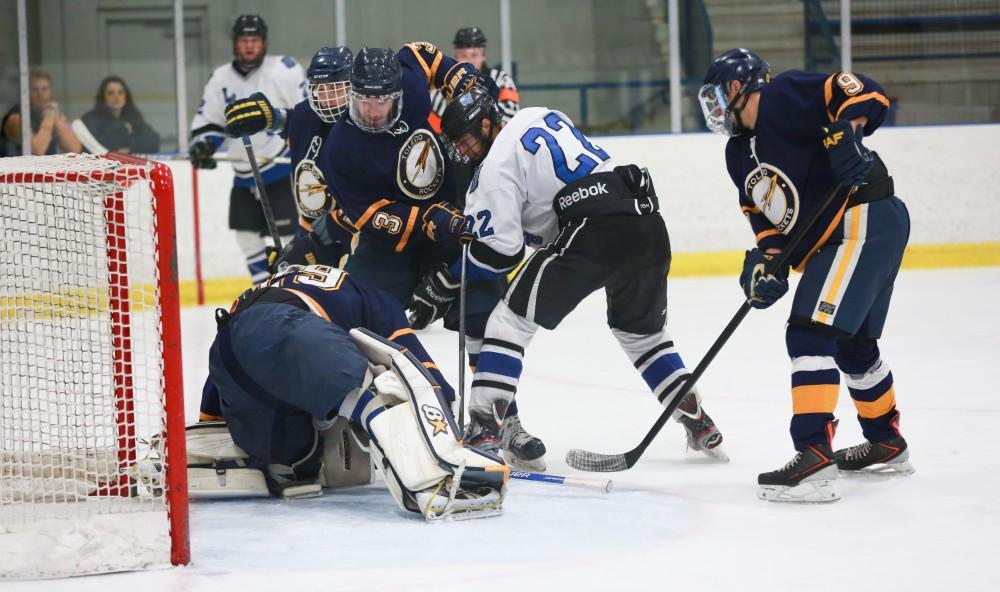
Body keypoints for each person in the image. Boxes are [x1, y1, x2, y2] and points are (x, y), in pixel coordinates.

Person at [434, 88, 728, 471]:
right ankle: (696, 418)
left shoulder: (494, 165)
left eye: (467, 140)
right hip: (646, 220)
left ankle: (485, 426)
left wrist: (448, 279)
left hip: (593, 227)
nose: (464, 151)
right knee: (642, 334)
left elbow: (504, 251)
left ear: (487, 124)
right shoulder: (538, 114)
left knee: (508, 322)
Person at [699, 48, 914, 503]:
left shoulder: (781, 97)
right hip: (850, 231)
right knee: (852, 344)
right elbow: (765, 218)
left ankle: (814, 455)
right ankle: (887, 442)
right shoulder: (738, 153)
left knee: (808, 333)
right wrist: (766, 262)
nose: (715, 109)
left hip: (862, 218)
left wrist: (849, 133)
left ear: (738, 88)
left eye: (718, 96)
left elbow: (861, 90)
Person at [198, 263, 506, 520]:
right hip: (289, 328)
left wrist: (205, 425)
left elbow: (221, 377)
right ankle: (430, 482)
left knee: (295, 460)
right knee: (376, 389)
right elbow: (417, 369)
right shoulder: (373, 297)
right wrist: (444, 430)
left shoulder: (276, 283)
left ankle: (285, 465)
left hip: (227, 350)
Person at [188, 15, 306, 284]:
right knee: (245, 235)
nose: (250, 46)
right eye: (244, 41)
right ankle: (263, 287)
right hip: (243, 173)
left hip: (279, 167)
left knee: (289, 238)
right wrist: (204, 146)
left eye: (255, 40)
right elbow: (209, 122)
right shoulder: (220, 79)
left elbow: (305, 112)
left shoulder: (284, 70)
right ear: (234, 44)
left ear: (264, 43)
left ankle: (291, 288)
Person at [226, 45, 358, 270]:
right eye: (321, 89)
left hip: (357, 242)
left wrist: (310, 242)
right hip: (314, 237)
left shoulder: (367, 124)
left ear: (353, 88)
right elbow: (291, 122)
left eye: (335, 89)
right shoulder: (307, 115)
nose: (327, 98)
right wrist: (267, 117)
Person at [428, 26, 519, 134]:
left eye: (474, 55)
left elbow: (510, 116)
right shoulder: (440, 86)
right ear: (455, 56)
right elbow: (436, 124)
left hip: (494, 146)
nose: (469, 60)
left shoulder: (502, 80)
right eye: (463, 55)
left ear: (483, 55)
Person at [2, 68, 82, 156]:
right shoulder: (15, 118)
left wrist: (57, 122)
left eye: (44, 89)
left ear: (50, 91)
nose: (40, 94)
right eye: (35, 89)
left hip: (48, 167)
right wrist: (48, 119)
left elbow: (75, 149)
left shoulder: (51, 113)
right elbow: (38, 150)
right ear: (25, 92)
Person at [75, 76, 160, 154]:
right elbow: (96, 147)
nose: (116, 96)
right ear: (103, 97)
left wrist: (129, 149)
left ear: (126, 96)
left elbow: (153, 141)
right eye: (111, 93)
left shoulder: (133, 117)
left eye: (120, 92)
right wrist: (123, 130)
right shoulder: (91, 119)